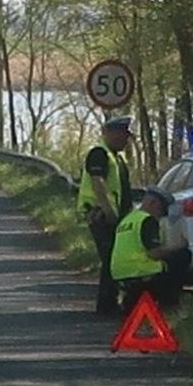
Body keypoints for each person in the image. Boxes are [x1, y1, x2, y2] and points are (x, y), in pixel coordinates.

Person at [76, 116, 133, 316]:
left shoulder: (116, 157)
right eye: (123, 135)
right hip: (101, 215)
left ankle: (109, 303)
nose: (126, 140)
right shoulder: (100, 153)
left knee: (114, 259)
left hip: (114, 216)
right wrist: (109, 210)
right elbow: (97, 183)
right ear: (111, 133)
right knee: (110, 259)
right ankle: (107, 306)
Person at [110, 187, 191, 313]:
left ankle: (133, 300)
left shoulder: (127, 219)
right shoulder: (147, 220)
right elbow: (153, 254)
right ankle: (170, 303)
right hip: (141, 272)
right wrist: (178, 245)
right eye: (161, 211)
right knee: (182, 256)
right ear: (153, 203)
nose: (160, 217)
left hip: (120, 273)